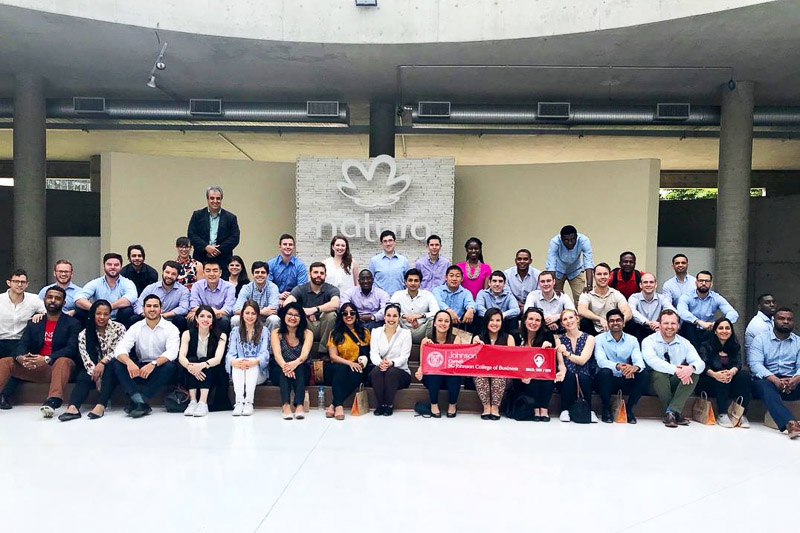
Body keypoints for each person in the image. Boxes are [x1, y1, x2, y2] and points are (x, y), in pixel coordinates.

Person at [0, 286, 80, 417]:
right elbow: (23, 343)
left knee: (63, 361)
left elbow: (71, 349)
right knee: (5, 362)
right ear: (44, 300)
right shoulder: (35, 322)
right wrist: (21, 357)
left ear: (64, 303)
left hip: (59, 367)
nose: (53, 300)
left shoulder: (72, 323)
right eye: (50, 297)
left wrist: (46, 359)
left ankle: (52, 401)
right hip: (37, 366)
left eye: (57, 298)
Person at [111, 295, 180, 418]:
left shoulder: (171, 328)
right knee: (116, 363)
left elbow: (172, 353)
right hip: (140, 369)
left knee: (171, 367)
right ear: (143, 309)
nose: (152, 309)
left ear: (161, 309)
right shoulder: (136, 327)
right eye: (148, 306)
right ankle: (139, 402)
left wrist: (153, 364)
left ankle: (138, 400)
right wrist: (129, 362)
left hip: (159, 368)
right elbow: (120, 349)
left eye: (155, 306)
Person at [58, 299, 126, 421]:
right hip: (94, 368)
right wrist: (96, 373)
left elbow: (119, 351)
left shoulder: (119, 328)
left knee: (110, 368)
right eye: (98, 313)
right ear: (92, 314)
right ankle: (73, 407)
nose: (102, 317)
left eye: (106, 314)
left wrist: (102, 363)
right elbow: (85, 357)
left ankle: (101, 405)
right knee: (84, 375)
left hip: (114, 365)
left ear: (110, 315)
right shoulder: (84, 333)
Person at [641, 309, 705, 428]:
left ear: (678, 326)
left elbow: (700, 363)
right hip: (653, 384)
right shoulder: (649, 341)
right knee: (659, 373)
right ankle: (675, 412)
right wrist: (676, 369)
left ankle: (671, 412)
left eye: (673, 323)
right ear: (659, 325)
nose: (669, 326)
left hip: (675, 383)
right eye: (666, 323)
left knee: (694, 372)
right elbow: (653, 361)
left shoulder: (685, 343)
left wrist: (690, 368)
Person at [748, 308, 800, 439]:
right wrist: (775, 380)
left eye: (789, 319)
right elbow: (755, 364)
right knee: (763, 385)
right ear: (774, 321)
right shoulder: (761, 339)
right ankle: (790, 423)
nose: (785, 322)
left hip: (792, 382)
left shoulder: (798, 342)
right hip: (768, 380)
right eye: (781, 319)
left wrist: (796, 379)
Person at [594, 309, 648, 424]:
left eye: (618, 320)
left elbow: (639, 359)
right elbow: (601, 361)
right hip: (606, 381)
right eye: (611, 321)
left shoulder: (632, 340)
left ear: (623, 323)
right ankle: (606, 409)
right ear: (608, 324)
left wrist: (635, 368)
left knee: (643, 374)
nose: (615, 323)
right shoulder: (599, 339)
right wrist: (618, 366)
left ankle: (629, 409)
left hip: (625, 377)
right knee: (605, 372)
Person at [511, 307, 564, 421]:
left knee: (545, 372)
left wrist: (547, 348)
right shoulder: (515, 336)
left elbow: (549, 361)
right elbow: (512, 360)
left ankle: (543, 408)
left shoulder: (547, 335)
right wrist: (521, 375)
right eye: (531, 319)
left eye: (537, 320)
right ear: (524, 320)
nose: (533, 323)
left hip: (540, 375)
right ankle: (535, 409)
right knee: (532, 374)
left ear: (541, 323)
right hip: (519, 376)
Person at [696, 318, 751, 428]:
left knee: (744, 376)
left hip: (729, 381)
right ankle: (722, 413)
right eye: (720, 328)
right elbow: (703, 366)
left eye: (727, 328)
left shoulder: (735, 346)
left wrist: (731, 372)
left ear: (731, 331)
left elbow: (738, 364)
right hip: (709, 381)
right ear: (715, 331)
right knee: (721, 376)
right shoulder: (706, 345)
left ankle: (741, 414)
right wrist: (716, 375)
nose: (724, 331)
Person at [178, 305, 227, 417]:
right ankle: (193, 401)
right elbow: (181, 356)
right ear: (196, 318)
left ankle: (203, 402)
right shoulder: (187, 334)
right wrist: (191, 367)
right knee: (191, 360)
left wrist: (201, 365)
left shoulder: (221, 335)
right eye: (202, 316)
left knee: (205, 361)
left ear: (213, 319)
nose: (205, 319)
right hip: (191, 371)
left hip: (213, 371)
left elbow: (218, 359)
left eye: (209, 317)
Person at [326, 302, 371, 420]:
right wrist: (350, 363)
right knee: (340, 369)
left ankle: (334, 404)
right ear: (341, 316)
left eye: (352, 313)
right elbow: (333, 356)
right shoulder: (335, 333)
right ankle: (339, 406)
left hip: (359, 365)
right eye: (345, 313)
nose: (349, 316)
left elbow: (367, 352)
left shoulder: (364, 332)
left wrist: (359, 363)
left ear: (356, 315)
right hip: (341, 365)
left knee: (357, 372)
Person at [415, 310, 464, 418]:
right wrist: (419, 371)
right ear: (434, 323)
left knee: (454, 374)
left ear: (450, 324)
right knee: (434, 373)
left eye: (446, 321)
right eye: (440, 320)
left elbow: (456, 363)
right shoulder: (426, 341)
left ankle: (452, 405)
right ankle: (434, 405)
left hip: (449, 378)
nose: (443, 323)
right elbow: (422, 365)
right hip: (432, 378)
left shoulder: (456, 339)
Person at [283, 262, 340, 354]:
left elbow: (335, 303)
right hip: (307, 324)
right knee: (297, 315)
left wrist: (314, 309)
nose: (319, 275)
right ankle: (301, 350)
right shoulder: (300, 289)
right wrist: (303, 311)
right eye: (315, 272)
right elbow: (287, 303)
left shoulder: (331, 289)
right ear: (309, 274)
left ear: (325, 275)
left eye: (322, 273)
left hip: (324, 325)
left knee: (331, 315)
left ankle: (324, 352)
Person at [226, 300, 270, 416]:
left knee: (251, 363)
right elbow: (230, 354)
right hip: (240, 372)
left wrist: (254, 362)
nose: (250, 316)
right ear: (242, 314)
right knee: (238, 362)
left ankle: (249, 402)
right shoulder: (235, 331)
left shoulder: (264, 331)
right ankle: (239, 402)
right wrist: (233, 362)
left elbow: (265, 354)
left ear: (257, 315)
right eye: (247, 313)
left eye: (253, 313)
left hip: (258, 373)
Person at [471, 308, 516, 420]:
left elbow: (512, 360)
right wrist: (477, 348)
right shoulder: (478, 338)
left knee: (498, 373)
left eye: (498, 320)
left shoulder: (509, 338)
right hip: (483, 372)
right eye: (491, 320)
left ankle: (495, 408)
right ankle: (486, 407)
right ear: (486, 321)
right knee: (479, 374)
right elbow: (474, 361)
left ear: (502, 322)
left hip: (503, 374)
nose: (494, 323)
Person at [271, 302, 313, 420]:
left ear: (301, 318)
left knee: (299, 368)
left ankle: (299, 405)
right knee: (283, 372)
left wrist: (293, 364)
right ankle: (285, 405)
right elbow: (277, 354)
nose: (292, 318)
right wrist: (286, 366)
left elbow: (304, 355)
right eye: (289, 314)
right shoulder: (276, 333)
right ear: (284, 316)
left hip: (300, 367)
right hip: (280, 366)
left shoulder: (307, 333)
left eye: (296, 315)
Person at [187, 185, 241, 277]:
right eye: (212, 198)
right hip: (201, 258)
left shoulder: (230, 218)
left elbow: (235, 238)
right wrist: (206, 247)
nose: (215, 201)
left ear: (221, 200)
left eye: (218, 198)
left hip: (223, 260)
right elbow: (191, 235)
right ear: (207, 199)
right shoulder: (197, 215)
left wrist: (217, 250)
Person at [677, 271, 739, 348]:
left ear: (711, 284)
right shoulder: (687, 296)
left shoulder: (716, 298)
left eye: (707, 281)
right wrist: (698, 322)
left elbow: (733, 313)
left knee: (724, 333)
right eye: (700, 281)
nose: (703, 283)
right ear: (696, 283)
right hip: (691, 330)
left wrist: (717, 324)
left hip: (709, 331)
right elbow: (681, 311)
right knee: (688, 326)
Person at [369, 304, 412, 416]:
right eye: (388, 315)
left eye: (394, 316)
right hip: (382, 367)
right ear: (384, 317)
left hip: (400, 371)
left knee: (391, 372)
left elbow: (404, 357)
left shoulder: (406, 333)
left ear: (399, 318)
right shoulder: (376, 331)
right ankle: (380, 405)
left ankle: (389, 405)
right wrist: (381, 363)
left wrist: (391, 363)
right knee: (376, 371)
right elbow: (373, 353)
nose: (391, 319)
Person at [555, 309, 596, 423]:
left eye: (571, 317)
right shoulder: (559, 339)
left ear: (577, 319)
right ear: (562, 323)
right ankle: (564, 409)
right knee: (569, 376)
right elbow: (561, 364)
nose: (568, 321)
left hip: (585, 372)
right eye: (565, 319)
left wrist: (567, 353)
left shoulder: (589, 338)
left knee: (583, 377)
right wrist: (562, 371)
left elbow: (583, 360)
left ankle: (588, 409)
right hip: (568, 374)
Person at [74, 253, 138, 324]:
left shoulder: (127, 283)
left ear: (121, 267)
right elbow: (78, 298)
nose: (113, 267)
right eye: (109, 264)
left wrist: (108, 307)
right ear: (104, 266)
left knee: (128, 310)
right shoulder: (96, 282)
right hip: (98, 319)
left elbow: (131, 298)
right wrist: (96, 308)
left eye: (116, 265)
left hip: (120, 319)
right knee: (80, 310)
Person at [0, 269, 46, 359]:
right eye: (16, 281)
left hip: (22, 341)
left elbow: (49, 312)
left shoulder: (33, 299)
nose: (20, 284)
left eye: (23, 282)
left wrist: (41, 315)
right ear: (8, 283)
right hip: (1, 340)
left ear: (27, 284)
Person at [132, 261, 190, 331]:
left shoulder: (183, 290)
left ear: (177, 276)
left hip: (170, 321)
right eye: (167, 272)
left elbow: (184, 308)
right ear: (162, 272)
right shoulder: (151, 288)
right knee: (134, 318)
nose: (169, 276)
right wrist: (148, 315)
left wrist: (165, 315)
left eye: (173, 274)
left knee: (180, 319)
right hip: (149, 319)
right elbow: (137, 305)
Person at [545, 225, 594, 307]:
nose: (570, 243)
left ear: (576, 237)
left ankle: (581, 319)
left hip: (576, 270)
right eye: (566, 240)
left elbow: (588, 262)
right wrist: (553, 286)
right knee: (555, 297)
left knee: (582, 297)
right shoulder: (555, 242)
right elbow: (551, 265)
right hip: (558, 271)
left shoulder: (584, 240)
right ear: (561, 239)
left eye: (572, 240)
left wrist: (589, 285)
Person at [577, 263, 632, 335]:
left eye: (605, 274)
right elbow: (582, 310)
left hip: (613, 330)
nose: (602, 277)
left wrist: (619, 322)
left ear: (609, 276)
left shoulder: (616, 293)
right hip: (593, 330)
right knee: (584, 322)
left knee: (631, 323)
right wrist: (600, 319)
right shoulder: (587, 294)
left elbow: (627, 311)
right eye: (599, 274)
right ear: (594, 277)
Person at [390, 268, 440, 343]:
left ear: (420, 282)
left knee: (433, 320)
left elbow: (436, 312)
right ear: (405, 282)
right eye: (410, 280)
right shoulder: (397, 294)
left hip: (421, 329)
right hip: (402, 328)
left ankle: (428, 344)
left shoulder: (428, 295)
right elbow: (389, 311)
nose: (413, 283)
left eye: (416, 281)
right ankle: (395, 345)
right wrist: (405, 316)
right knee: (392, 319)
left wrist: (420, 315)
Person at [188, 260, 236, 334]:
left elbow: (228, 309)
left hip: (220, 317)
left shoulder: (229, 287)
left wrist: (211, 313)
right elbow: (194, 305)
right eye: (208, 271)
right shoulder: (197, 286)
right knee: (191, 318)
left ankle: (223, 344)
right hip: (204, 315)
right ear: (203, 273)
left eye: (215, 270)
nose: (211, 274)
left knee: (224, 320)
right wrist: (209, 312)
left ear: (220, 273)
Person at [626, 272, 674, 342]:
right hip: (639, 329)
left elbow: (671, 310)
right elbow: (632, 312)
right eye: (645, 282)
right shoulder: (634, 297)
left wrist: (661, 322)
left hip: (656, 328)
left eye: (651, 282)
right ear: (640, 285)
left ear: (656, 285)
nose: (648, 285)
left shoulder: (662, 298)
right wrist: (648, 322)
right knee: (631, 325)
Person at [233, 261, 280, 331]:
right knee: (235, 319)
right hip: (248, 319)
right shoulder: (246, 288)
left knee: (274, 319)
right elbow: (236, 310)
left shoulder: (273, 287)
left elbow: (274, 310)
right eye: (257, 272)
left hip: (265, 321)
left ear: (267, 275)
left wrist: (249, 311)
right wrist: (261, 311)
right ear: (253, 274)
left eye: (263, 272)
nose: (260, 275)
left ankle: (271, 341)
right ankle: (240, 341)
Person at [433, 265, 476, 332]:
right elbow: (438, 302)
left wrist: (471, 309)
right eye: (451, 275)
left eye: (457, 276)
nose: (454, 279)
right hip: (442, 324)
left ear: (462, 279)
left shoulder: (466, 292)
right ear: (446, 277)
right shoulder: (437, 290)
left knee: (475, 315)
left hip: (458, 324)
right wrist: (448, 310)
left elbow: (470, 302)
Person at [268, 234, 308, 304]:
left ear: (294, 247)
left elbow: (302, 287)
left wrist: (291, 296)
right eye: (285, 244)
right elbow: (268, 285)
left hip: (295, 300)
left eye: (290, 244)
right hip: (274, 299)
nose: (288, 247)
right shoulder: (270, 264)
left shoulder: (300, 265)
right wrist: (279, 296)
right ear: (279, 247)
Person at [368, 230, 409, 295]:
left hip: (399, 299)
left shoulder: (403, 261)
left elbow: (408, 282)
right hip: (379, 300)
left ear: (395, 242)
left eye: (390, 240)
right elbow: (369, 281)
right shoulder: (374, 261)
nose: (388, 244)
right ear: (381, 243)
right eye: (385, 241)